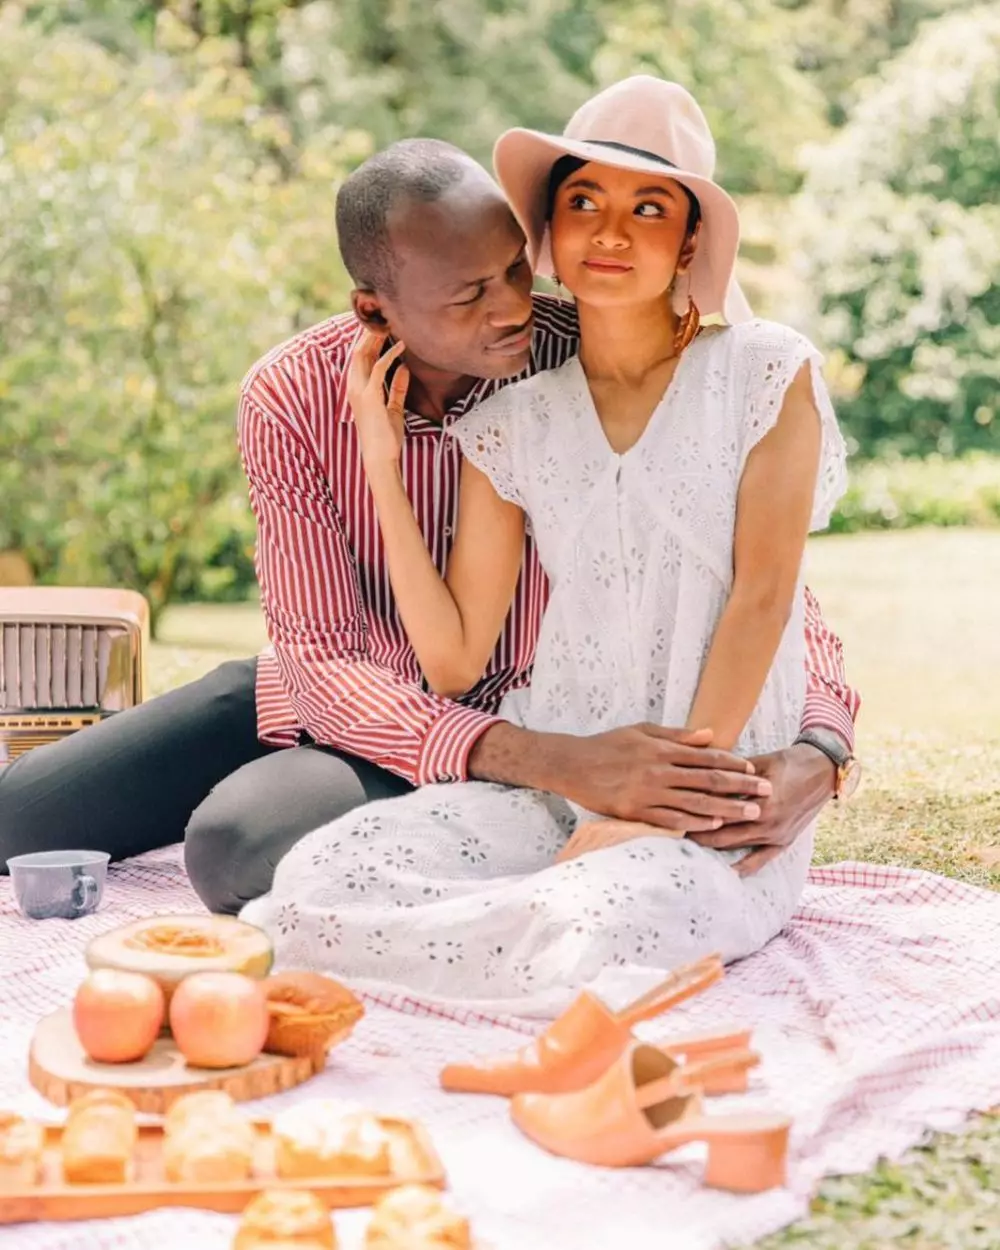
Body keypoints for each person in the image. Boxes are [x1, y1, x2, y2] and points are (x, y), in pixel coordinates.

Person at [0, 128, 859, 913]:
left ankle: (309, 797)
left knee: (238, 847)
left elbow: (751, 574)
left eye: (517, 270)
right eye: (470, 296)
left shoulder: (575, 350)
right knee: (17, 820)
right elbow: (322, 658)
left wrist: (820, 750)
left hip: (523, 727)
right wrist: (536, 756)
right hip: (345, 702)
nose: (514, 308)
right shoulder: (293, 397)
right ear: (375, 310)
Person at [239, 77, 855, 1015]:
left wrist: (679, 794)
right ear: (551, 231)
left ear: (691, 240)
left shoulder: (766, 375)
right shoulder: (514, 420)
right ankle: (490, 931)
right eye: (584, 203)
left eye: (650, 207)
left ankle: (487, 945)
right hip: (559, 769)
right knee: (321, 875)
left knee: (601, 923)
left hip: (713, 792)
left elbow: (769, 596)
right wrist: (378, 455)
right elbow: (451, 659)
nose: (610, 233)